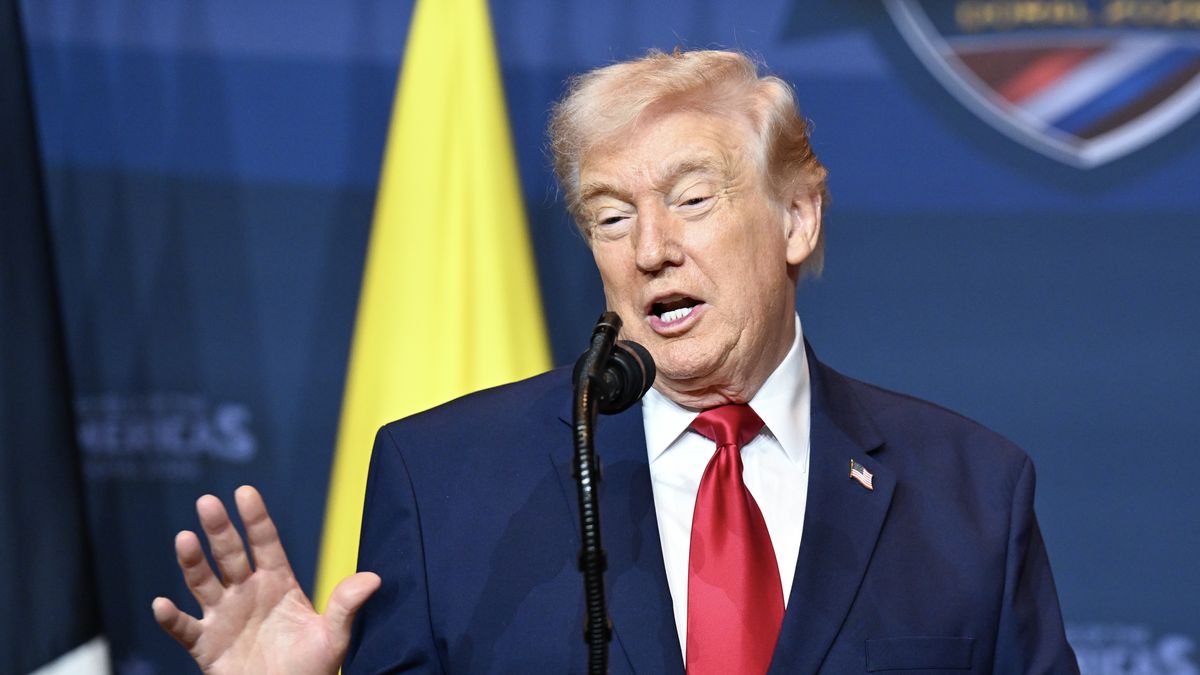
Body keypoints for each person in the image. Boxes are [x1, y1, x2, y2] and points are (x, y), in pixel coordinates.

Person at [153, 49, 1080, 674]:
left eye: (692, 199)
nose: (650, 249)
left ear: (796, 218)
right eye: (610, 215)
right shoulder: (445, 483)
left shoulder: (969, 491)